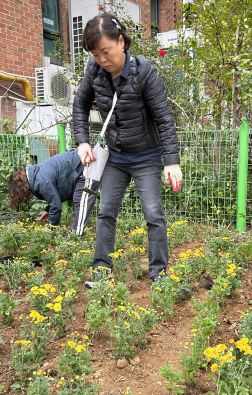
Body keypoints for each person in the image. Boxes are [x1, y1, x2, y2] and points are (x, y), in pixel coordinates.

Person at [72, 13, 182, 286]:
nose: (102, 60)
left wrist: (171, 161)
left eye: (106, 51)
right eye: (96, 55)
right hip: (115, 157)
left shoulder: (144, 72)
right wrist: (82, 140)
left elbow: (164, 118)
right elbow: (80, 105)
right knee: (106, 211)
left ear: (121, 42)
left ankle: (159, 275)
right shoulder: (94, 71)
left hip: (146, 157)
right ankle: (101, 272)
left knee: (153, 214)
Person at [7, 149, 99, 234]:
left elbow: (56, 206)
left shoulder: (41, 182)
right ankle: (74, 235)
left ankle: (74, 237)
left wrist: (50, 230)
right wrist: (47, 210)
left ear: (21, 189)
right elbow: (56, 197)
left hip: (84, 164)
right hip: (81, 162)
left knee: (79, 200)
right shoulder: (38, 177)